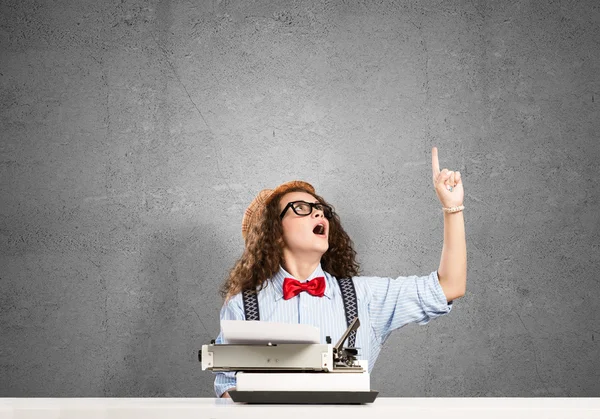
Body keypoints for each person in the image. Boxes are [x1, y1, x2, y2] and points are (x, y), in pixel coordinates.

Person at [213, 147, 467, 398]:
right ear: (275, 233)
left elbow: (449, 286)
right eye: (301, 207)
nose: (318, 211)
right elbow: (227, 387)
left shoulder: (365, 297)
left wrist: (452, 208)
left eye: (322, 209)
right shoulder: (242, 306)